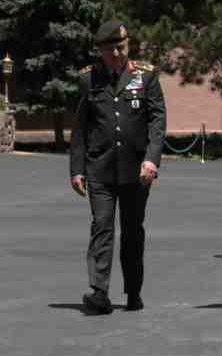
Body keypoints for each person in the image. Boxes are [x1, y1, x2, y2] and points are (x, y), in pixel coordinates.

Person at [70, 20, 166, 315]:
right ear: (100, 50)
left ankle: (133, 290)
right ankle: (99, 292)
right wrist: (77, 168)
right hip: (100, 168)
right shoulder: (89, 79)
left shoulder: (145, 76)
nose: (118, 54)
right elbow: (80, 128)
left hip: (137, 170)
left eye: (121, 47)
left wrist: (152, 158)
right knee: (102, 227)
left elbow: (157, 121)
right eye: (111, 49)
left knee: (133, 230)